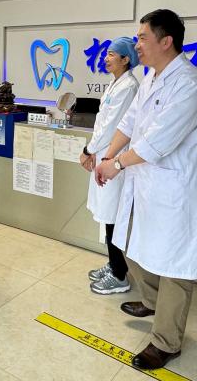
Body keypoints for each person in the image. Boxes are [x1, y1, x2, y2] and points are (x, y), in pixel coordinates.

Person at [96, 9, 197, 370]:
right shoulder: (150, 78)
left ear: (166, 41)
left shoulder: (190, 83)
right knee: (129, 243)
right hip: (142, 183)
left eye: (143, 37)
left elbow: (157, 142)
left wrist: (115, 165)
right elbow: (128, 123)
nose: (137, 44)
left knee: (174, 265)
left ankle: (166, 341)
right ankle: (150, 301)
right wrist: (108, 155)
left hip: (172, 190)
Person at [80, 37, 139, 295]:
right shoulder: (116, 84)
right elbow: (102, 124)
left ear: (126, 59)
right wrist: (94, 149)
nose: (106, 58)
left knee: (112, 214)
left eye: (112, 54)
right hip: (105, 153)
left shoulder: (129, 87)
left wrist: (89, 150)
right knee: (107, 213)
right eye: (107, 54)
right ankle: (114, 263)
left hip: (114, 157)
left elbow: (111, 126)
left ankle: (119, 274)